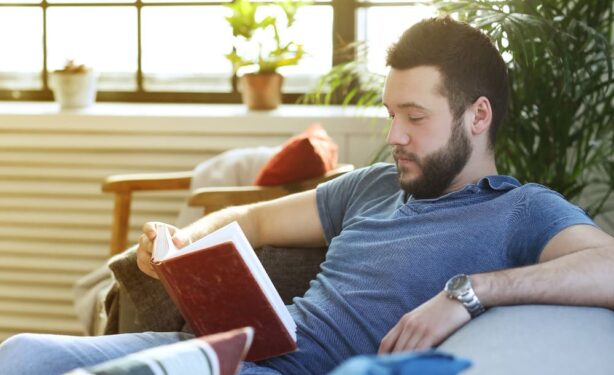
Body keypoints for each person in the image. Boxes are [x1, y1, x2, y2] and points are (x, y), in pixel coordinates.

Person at [1, 16, 613, 375]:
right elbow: (253, 220)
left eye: (415, 117)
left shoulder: (520, 210)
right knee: (22, 351)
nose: (394, 136)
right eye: (389, 114)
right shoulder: (375, 184)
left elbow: (608, 265)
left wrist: (471, 292)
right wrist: (180, 241)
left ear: (477, 116)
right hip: (241, 349)